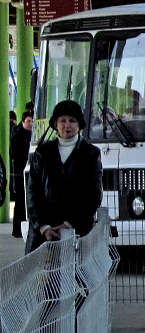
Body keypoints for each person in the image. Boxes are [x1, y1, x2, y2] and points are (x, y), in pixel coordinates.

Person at [25, 100, 102, 253]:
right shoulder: (42, 153)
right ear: (55, 124)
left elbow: (93, 194)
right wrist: (44, 227)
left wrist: (69, 224)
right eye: (63, 121)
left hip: (78, 234)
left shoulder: (91, 154)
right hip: (43, 237)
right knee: (45, 277)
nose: (67, 125)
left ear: (79, 125)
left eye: (72, 121)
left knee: (75, 276)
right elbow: (32, 192)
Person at [10, 111, 32, 238]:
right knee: (20, 202)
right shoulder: (18, 136)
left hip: (26, 172)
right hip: (19, 173)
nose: (30, 124)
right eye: (28, 121)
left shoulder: (31, 135)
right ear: (23, 122)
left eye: (32, 121)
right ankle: (17, 229)